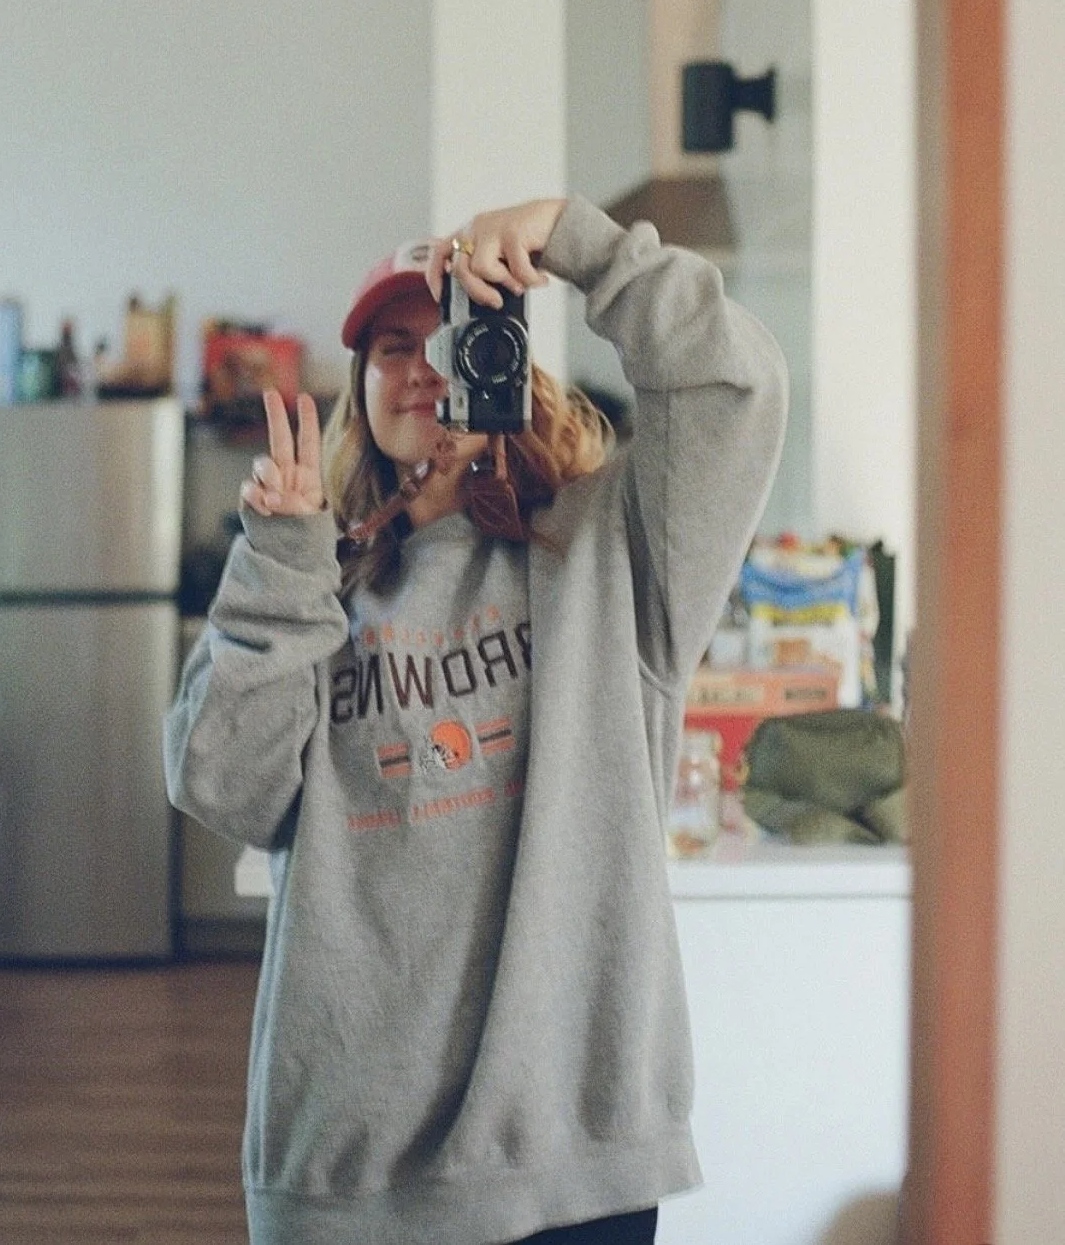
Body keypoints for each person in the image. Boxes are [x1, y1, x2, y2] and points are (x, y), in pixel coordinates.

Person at [164, 195, 788, 1245]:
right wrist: (282, 557)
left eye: (450, 333)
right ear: (361, 388)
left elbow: (735, 389)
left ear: (504, 361)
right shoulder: (313, 582)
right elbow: (223, 784)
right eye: (391, 346)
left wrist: (579, 240)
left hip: (569, 1156)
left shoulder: (611, 555)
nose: (422, 366)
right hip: (349, 1166)